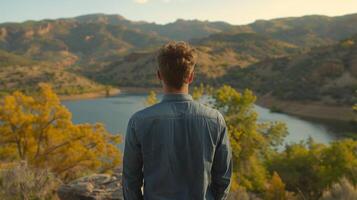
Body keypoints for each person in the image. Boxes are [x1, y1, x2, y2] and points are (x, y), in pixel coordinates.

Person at [123, 41, 232, 200]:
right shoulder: (215, 119)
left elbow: (130, 181)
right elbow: (223, 178)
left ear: (159, 75)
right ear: (191, 76)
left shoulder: (139, 121)